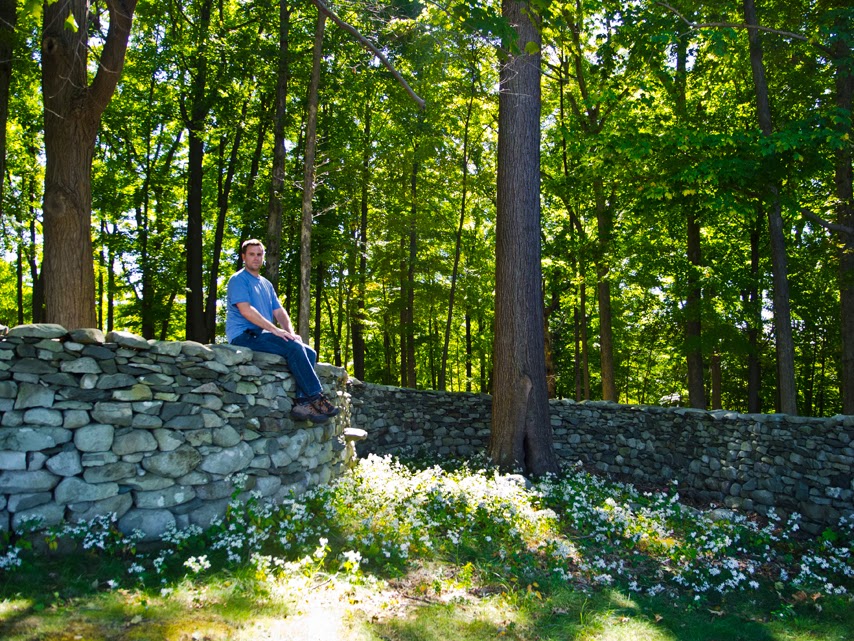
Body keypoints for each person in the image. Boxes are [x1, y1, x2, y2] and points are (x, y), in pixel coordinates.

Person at [226, 239, 339, 423]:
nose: (256, 258)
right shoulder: (238, 280)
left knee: (307, 350)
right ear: (243, 257)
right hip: (244, 336)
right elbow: (246, 311)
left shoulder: (266, 284)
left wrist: (290, 332)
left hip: (261, 334)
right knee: (294, 348)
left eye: (259, 254)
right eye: (252, 254)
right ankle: (315, 397)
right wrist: (274, 330)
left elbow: (279, 311)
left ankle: (302, 404)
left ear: (263, 257)